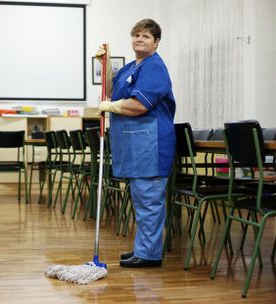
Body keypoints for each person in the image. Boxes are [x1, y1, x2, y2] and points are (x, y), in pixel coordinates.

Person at [96, 18, 176, 268]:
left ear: (156, 42)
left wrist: (111, 107)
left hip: (151, 146)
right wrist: (105, 66)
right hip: (138, 146)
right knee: (142, 199)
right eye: (136, 35)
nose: (140, 39)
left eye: (146, 36)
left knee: (149, 199)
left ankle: (150, 255)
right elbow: (113, 91)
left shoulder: (154, 67)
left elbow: (140, 105)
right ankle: (144, 249)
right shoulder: (132, 66)